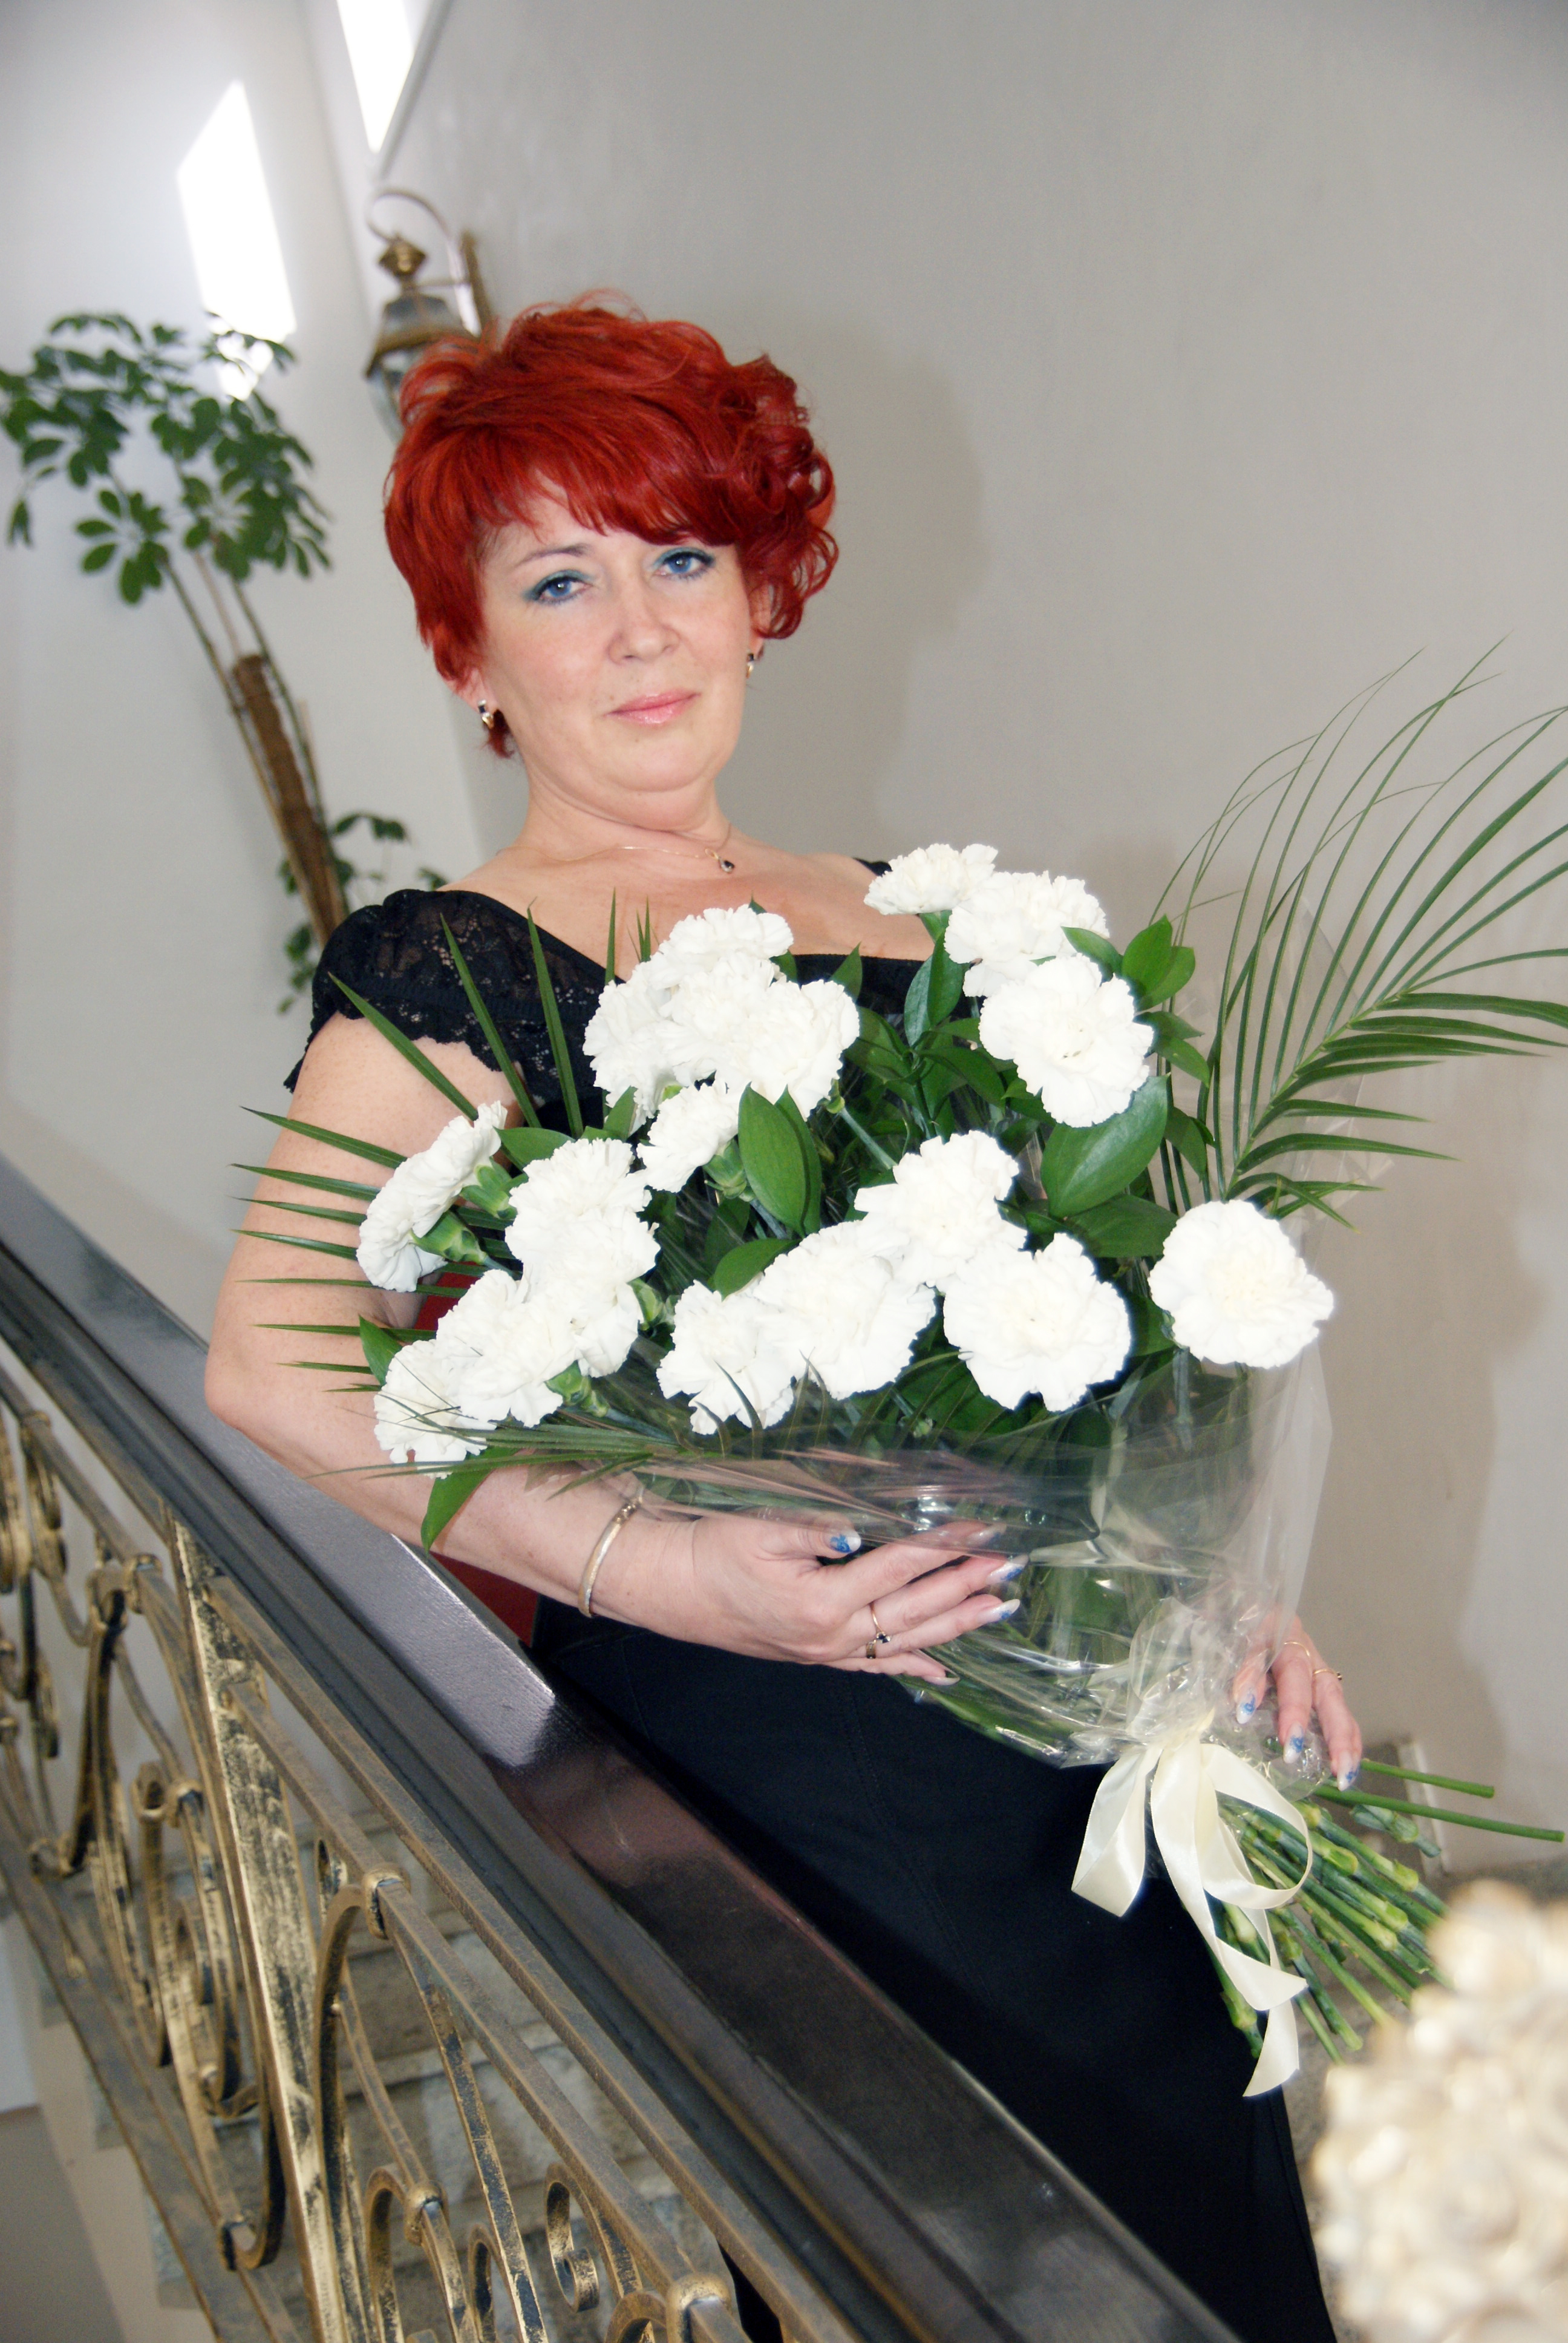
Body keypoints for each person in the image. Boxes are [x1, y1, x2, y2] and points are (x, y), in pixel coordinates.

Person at [207, 300, 1361, 2342]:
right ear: (469, 658)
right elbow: (275, 1361)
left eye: (683, 556)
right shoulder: (454, 970)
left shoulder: (933, 913)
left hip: (1081, 1752)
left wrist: (1222, 1597)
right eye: (560, 582)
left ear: (761, 592)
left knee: (1199, 2252)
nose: (643, 631)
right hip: (784, 1782)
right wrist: (660, 1571)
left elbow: (1104, 1339)